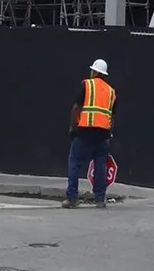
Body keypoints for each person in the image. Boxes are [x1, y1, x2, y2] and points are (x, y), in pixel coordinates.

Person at [63, 58, 116, 210]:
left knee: (74, 161)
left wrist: (73, 128)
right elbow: (112, 117)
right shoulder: (111, 92)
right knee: (100, 165)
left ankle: (72, 197)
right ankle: (100, 199)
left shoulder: (87, 85)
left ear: (95, 72)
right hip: (102, 134)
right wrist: (109, 134)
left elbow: (76, 108)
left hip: (85, 131)